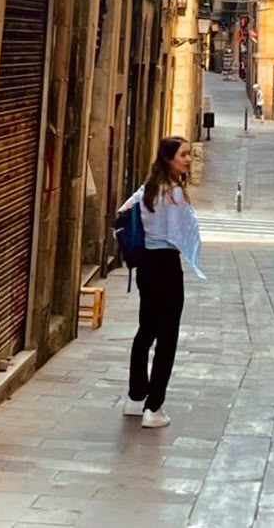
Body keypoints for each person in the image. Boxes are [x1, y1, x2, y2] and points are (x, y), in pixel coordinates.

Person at [119, 136, 204, 429]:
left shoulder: (147, 190)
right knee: (167, 338)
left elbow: (123, 211)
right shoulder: (174, 194)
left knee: (146, 331)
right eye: (183, 155)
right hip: (167, 267)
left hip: (146, 266)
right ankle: (154, 407)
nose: (188, 159)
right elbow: (179, 235)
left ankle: (134, 397)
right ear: (169, 159)